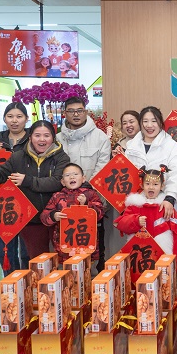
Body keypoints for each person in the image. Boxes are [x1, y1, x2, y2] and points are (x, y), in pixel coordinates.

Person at [0, 120, 70, 258]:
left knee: (63, 258)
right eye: (37, 135)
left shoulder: (62, 157)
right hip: (31, 220)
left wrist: (27, 180)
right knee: (37, 260)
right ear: (30, 137)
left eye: (46, 135)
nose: (42, 139)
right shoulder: (18, 157)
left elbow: (57, 182)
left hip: (56, 217)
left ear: (53, 138)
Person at [57, 96, 111, 270]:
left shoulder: (100, 137)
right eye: (71, 111)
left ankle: (93, 277)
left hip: (91, 199)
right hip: (63, 202)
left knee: (94, 244)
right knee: (66, 245)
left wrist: (85, 192)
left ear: (86, 112)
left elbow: (102, 169)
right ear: (65, 113)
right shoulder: (57, 139)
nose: (76, 114)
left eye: (79, 110)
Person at [114, 166, 177, 273]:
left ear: (162, 186)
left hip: (162, 258)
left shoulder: (167, 208)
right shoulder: (135, 205)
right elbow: (121, 224)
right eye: (147, 184)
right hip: (139, 258)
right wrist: (136, 221)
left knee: (162, 280)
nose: (151, 187)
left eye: (155, 184)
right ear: (142, 185)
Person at [0, 102, 30, 275]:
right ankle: (11, 282)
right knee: (6, 248)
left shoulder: (34, 139)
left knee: (27, 248)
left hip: (27, 197)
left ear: (26, 119)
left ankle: (28, 283)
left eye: (19, 116)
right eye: (10, 116)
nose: (14, 121)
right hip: (2, 200)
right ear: (4, 119)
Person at [125, 107, 177, 221]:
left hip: (163, 205)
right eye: (145, 121)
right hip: (138, 206)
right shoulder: (131, 146)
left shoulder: (171, 146)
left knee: (162, 231)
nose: (149, 125)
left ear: (160, 123)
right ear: (140, 123)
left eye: (154, 121)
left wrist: (170, 198)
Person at [40, 163, 105, 263]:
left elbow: (100, 214)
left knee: (86, 270)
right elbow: (44, 217)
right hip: (64, 246)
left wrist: (86, 204)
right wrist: (53, 216)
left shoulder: (90, 194)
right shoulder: (57, 196)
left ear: (83, 178)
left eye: (75, 174)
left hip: (86, 244)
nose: (71, 177)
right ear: (62, 182)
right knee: (67, 270)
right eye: (67, 175)